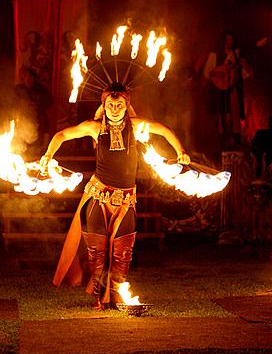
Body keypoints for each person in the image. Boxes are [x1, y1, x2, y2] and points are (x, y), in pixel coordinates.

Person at [40, 82, 190, 310]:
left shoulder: (136, 126)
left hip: (126, 199)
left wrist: (181, 152)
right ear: (104, 104)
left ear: (126, 104)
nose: (115, 108)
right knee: (97, 253)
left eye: (120, 104)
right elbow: (62, 135)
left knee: (122, 253)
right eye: (111, 103)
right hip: (99, 196)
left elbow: (163, 130)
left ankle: (119, 296)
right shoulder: (94, 127)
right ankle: (100, 299)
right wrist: (48, 156)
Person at [204, 31, 253, 149]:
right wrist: (217, 74)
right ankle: (221, 140)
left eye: (231, 40)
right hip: (218, 91)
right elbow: (207, 73)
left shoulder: (237, 54)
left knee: (234, 115)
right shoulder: (215, 55)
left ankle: (234, 139)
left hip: (233, 91)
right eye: (227, 40)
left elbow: (247, 74)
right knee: (221, 115)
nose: (229, 43)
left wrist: (244, 65)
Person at [13, 67, 53, 154]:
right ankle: (19, 147)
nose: (27, 78)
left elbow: (49, 100)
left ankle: (43, 148)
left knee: (44, 120)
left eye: (29, 76)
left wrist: (38, 106)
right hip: (23, 115)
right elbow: (13, 102)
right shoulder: (19, 89)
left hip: (37, 114)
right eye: (25, 76)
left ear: (33, 78)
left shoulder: (40, 89)